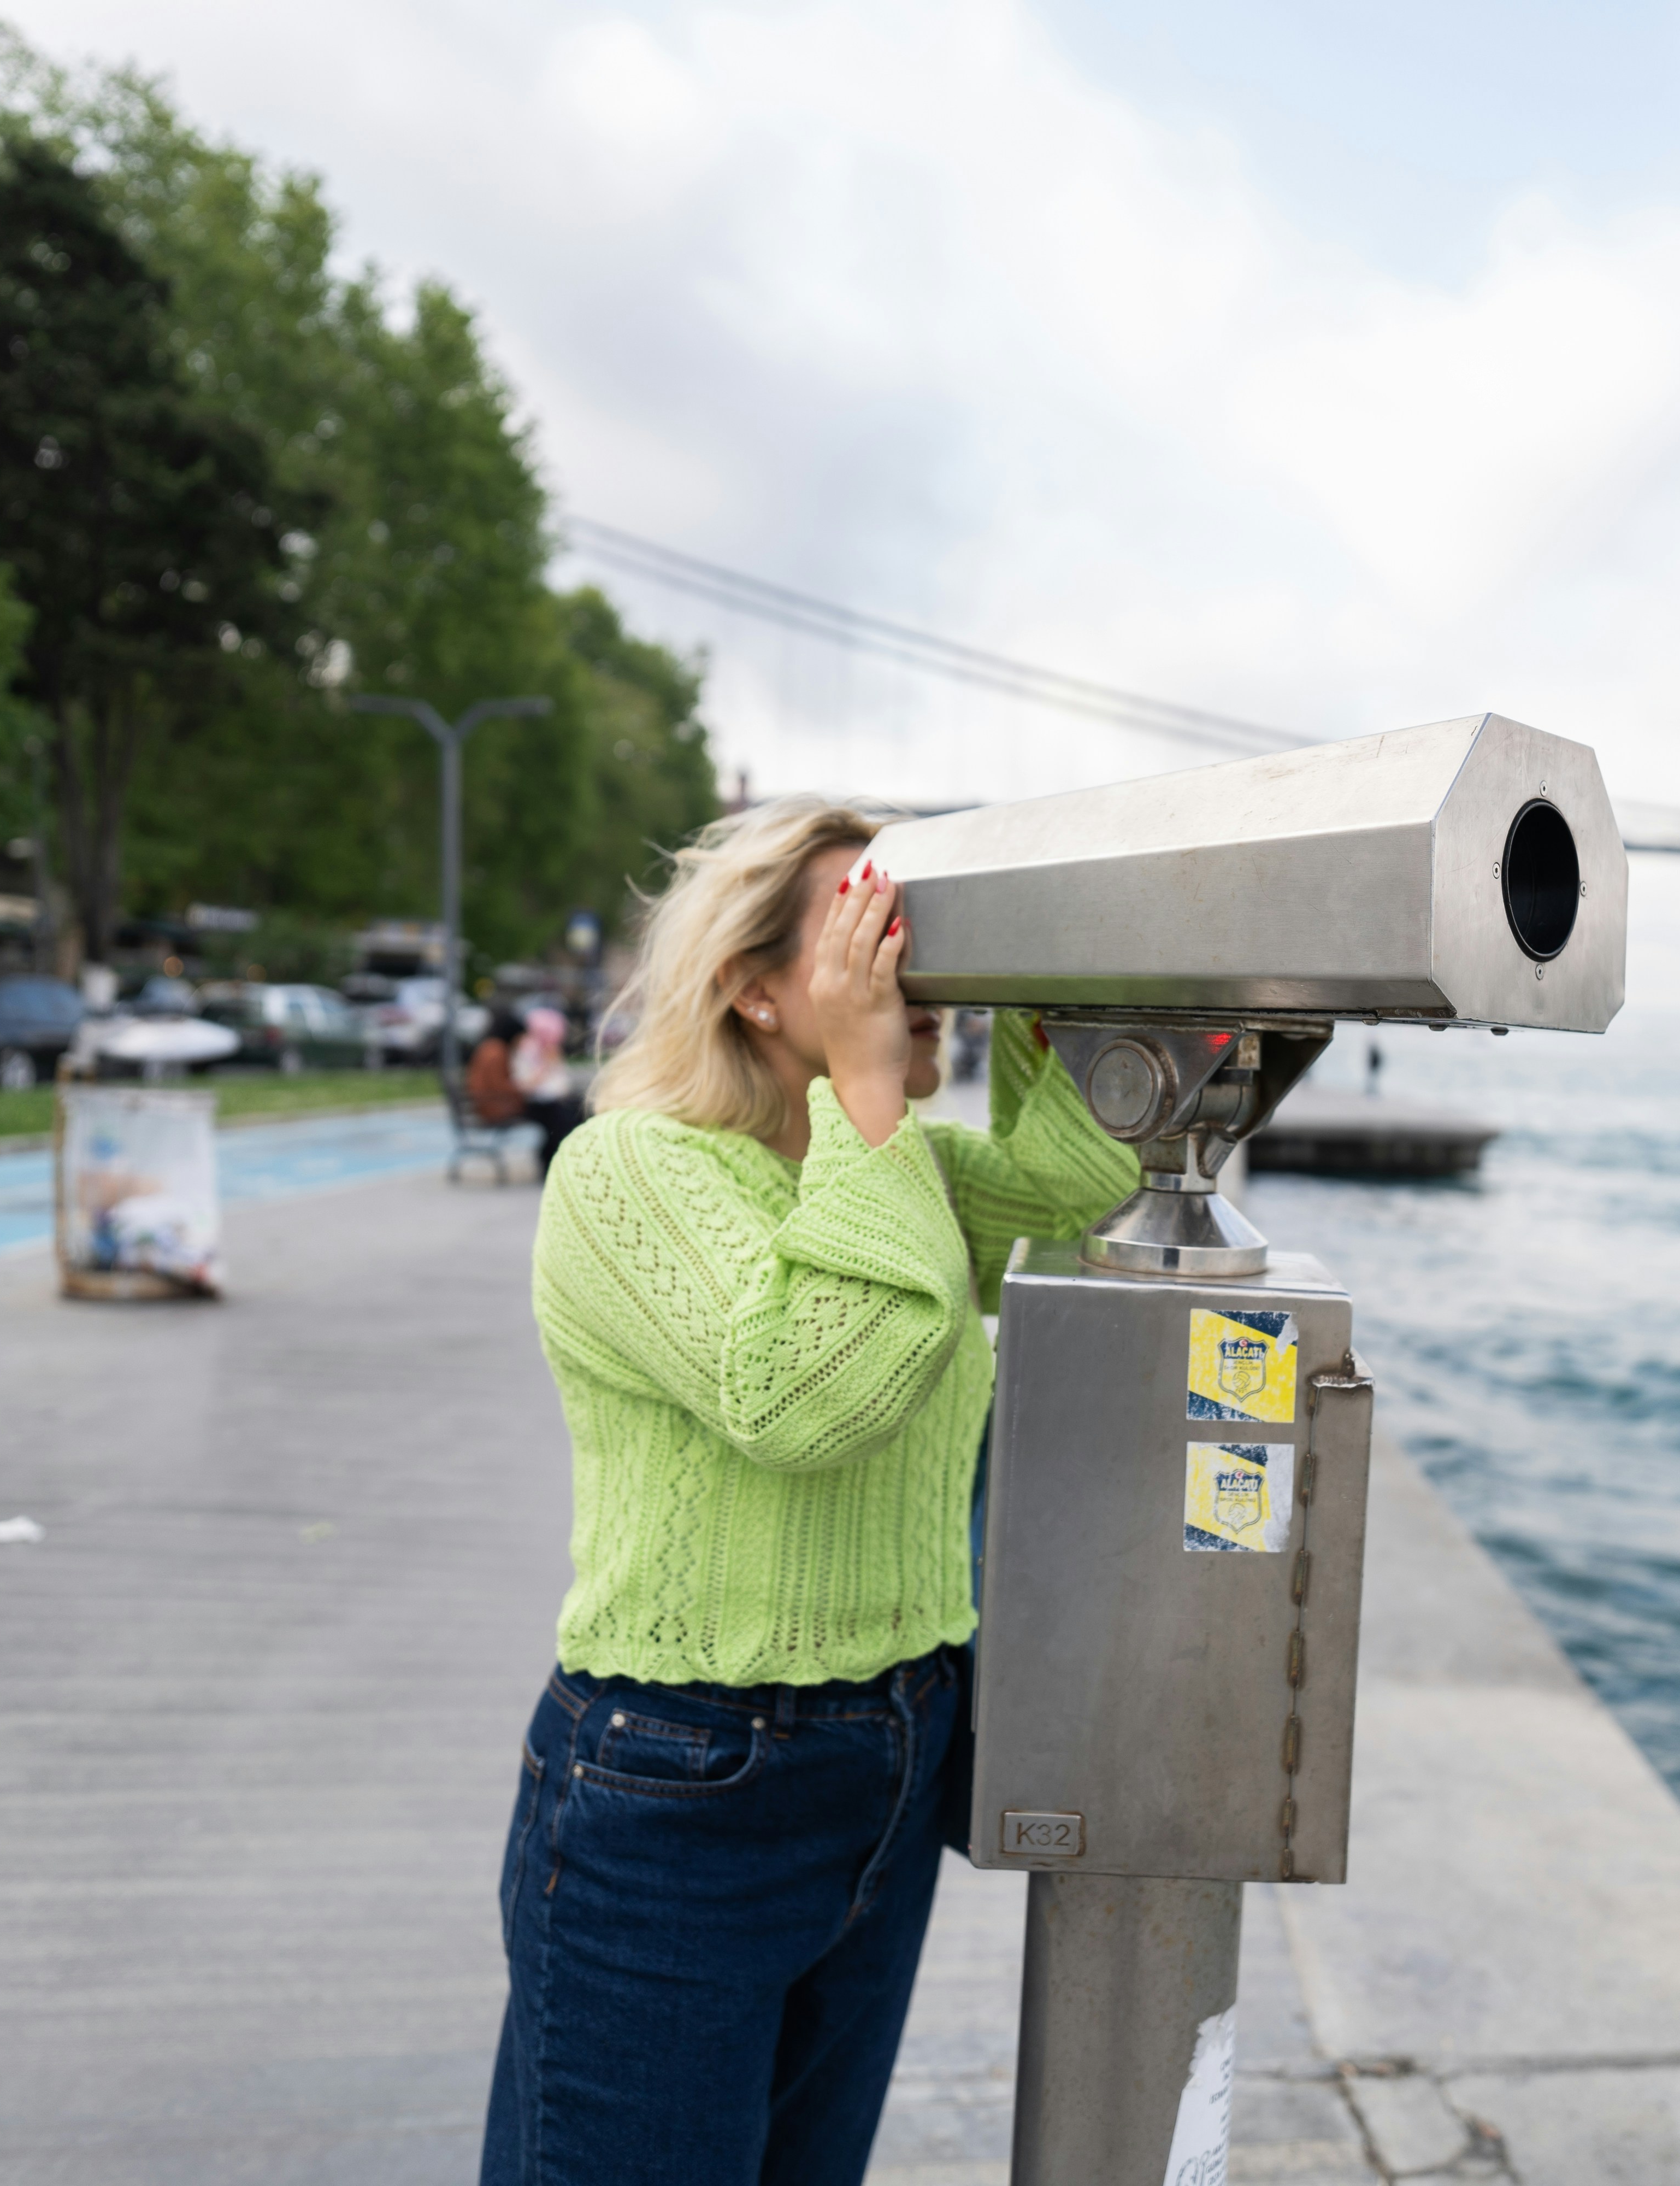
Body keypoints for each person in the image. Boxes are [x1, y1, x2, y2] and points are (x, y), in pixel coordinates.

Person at [485, 798, 1139, 2185]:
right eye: (860, 936)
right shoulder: (628, 1171)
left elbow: (1079, 1184)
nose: (898, 971)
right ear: (750, 985)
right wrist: (873, 1097)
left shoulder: (897, 1164)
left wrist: (1018, 977)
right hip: (681, 1785)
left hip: (887, 1757)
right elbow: (805, 1395)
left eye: (907, 937)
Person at [512, 1001, 585, 1174]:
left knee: (579, 1108)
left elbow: (563, 1081)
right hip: (535, 1103)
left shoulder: (553, 1051)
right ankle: (553, 1159)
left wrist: (555, 1061)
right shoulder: (525, 1052)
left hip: (555, 1100)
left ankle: (573, 1155)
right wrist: (544, 1065)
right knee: (560, 1116)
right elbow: (525, 1085)